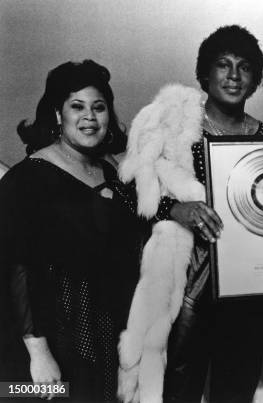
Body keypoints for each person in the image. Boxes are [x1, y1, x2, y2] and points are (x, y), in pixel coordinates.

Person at [118, 25, 263, 403]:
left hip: (245, 294)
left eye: (245, 67)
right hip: (185, 286)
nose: (234, 76)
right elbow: (126, 195)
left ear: (256, 80)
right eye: (223, 65)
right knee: (176, 391)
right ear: (204, 73)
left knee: (235, 392)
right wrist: (175, 209)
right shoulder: (170, 124)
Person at [0, 60, 145, 402]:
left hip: (107, 337)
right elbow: (16, 267)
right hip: (53, 342)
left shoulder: (115, 175)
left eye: (99, 107)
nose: (90, 118)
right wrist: (37, 351)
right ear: (57, 115)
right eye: (76, 107)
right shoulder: (28, 177)